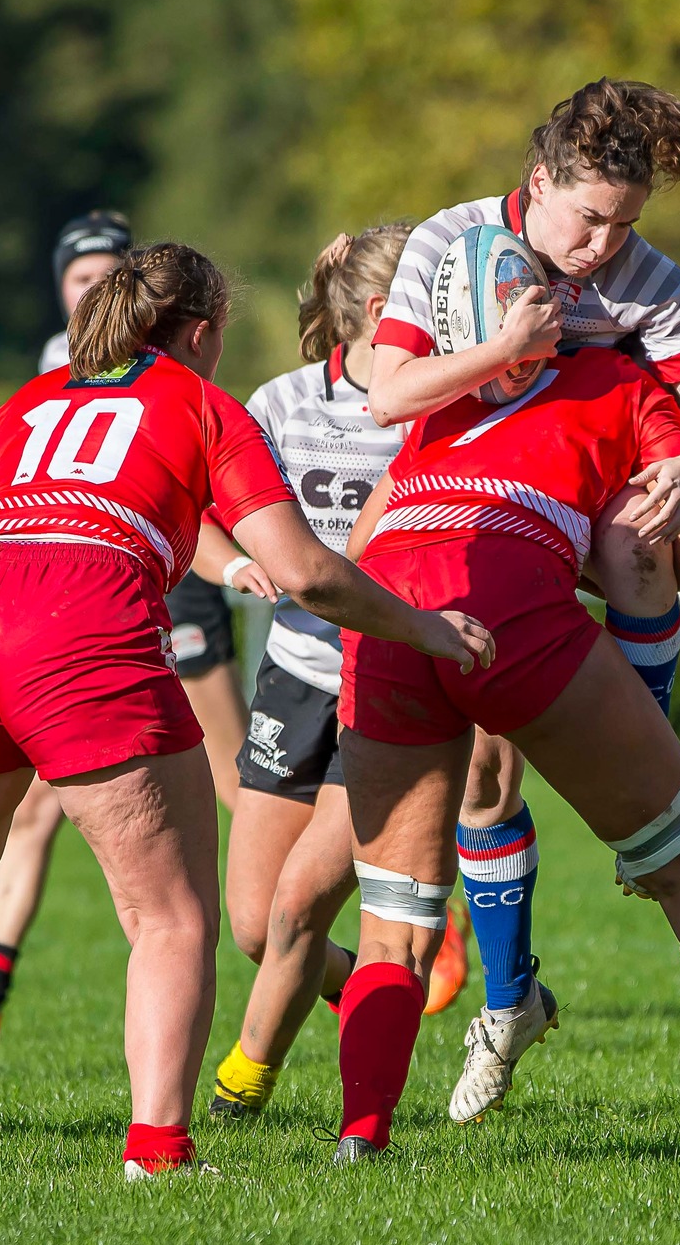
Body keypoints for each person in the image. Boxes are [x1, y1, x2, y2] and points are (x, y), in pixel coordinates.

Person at [0, 243, 492, 1180]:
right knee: (170, 918)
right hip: (80, 620)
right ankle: (157, 1153)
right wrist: (427, 628)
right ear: (201, 333)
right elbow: (308, 571)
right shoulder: (201, 403)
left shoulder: (35, 398)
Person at [329, 219, 680, 1158]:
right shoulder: (623, 383)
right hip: (512, 620)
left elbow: (365, 540)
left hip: (388, 622)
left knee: (395, 921)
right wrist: (622, 545)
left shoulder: (435, 401)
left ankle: (360, 1138)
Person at [0, 211, 255, 1042]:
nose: (94, 287)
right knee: (161, 904)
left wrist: (231, 565)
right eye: (80, 275)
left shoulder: (51, 393)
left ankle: (321, 938)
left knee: (239, 786)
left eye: (107, 272)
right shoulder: (130, 385)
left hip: (81, 595)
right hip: (86, 605)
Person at [204, 228, 503, 1124]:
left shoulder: (453, 409)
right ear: (382, 311)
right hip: (294, 680)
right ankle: (378, 979)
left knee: (299, 903)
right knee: (256, 924)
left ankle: (241, 1085)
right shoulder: (282, 402)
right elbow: (197, 511)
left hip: (394, 687)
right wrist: (234, 563)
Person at [369, 79, 680, 724]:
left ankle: (642, 727)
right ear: (541, 182)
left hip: (575, 457)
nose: (603, 246)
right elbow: (388, 399)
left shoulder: (651, 278)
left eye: (625, 224)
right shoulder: (451, 237)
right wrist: (507, 349)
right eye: (591, 218)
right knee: (486, 770)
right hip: (458, 464)